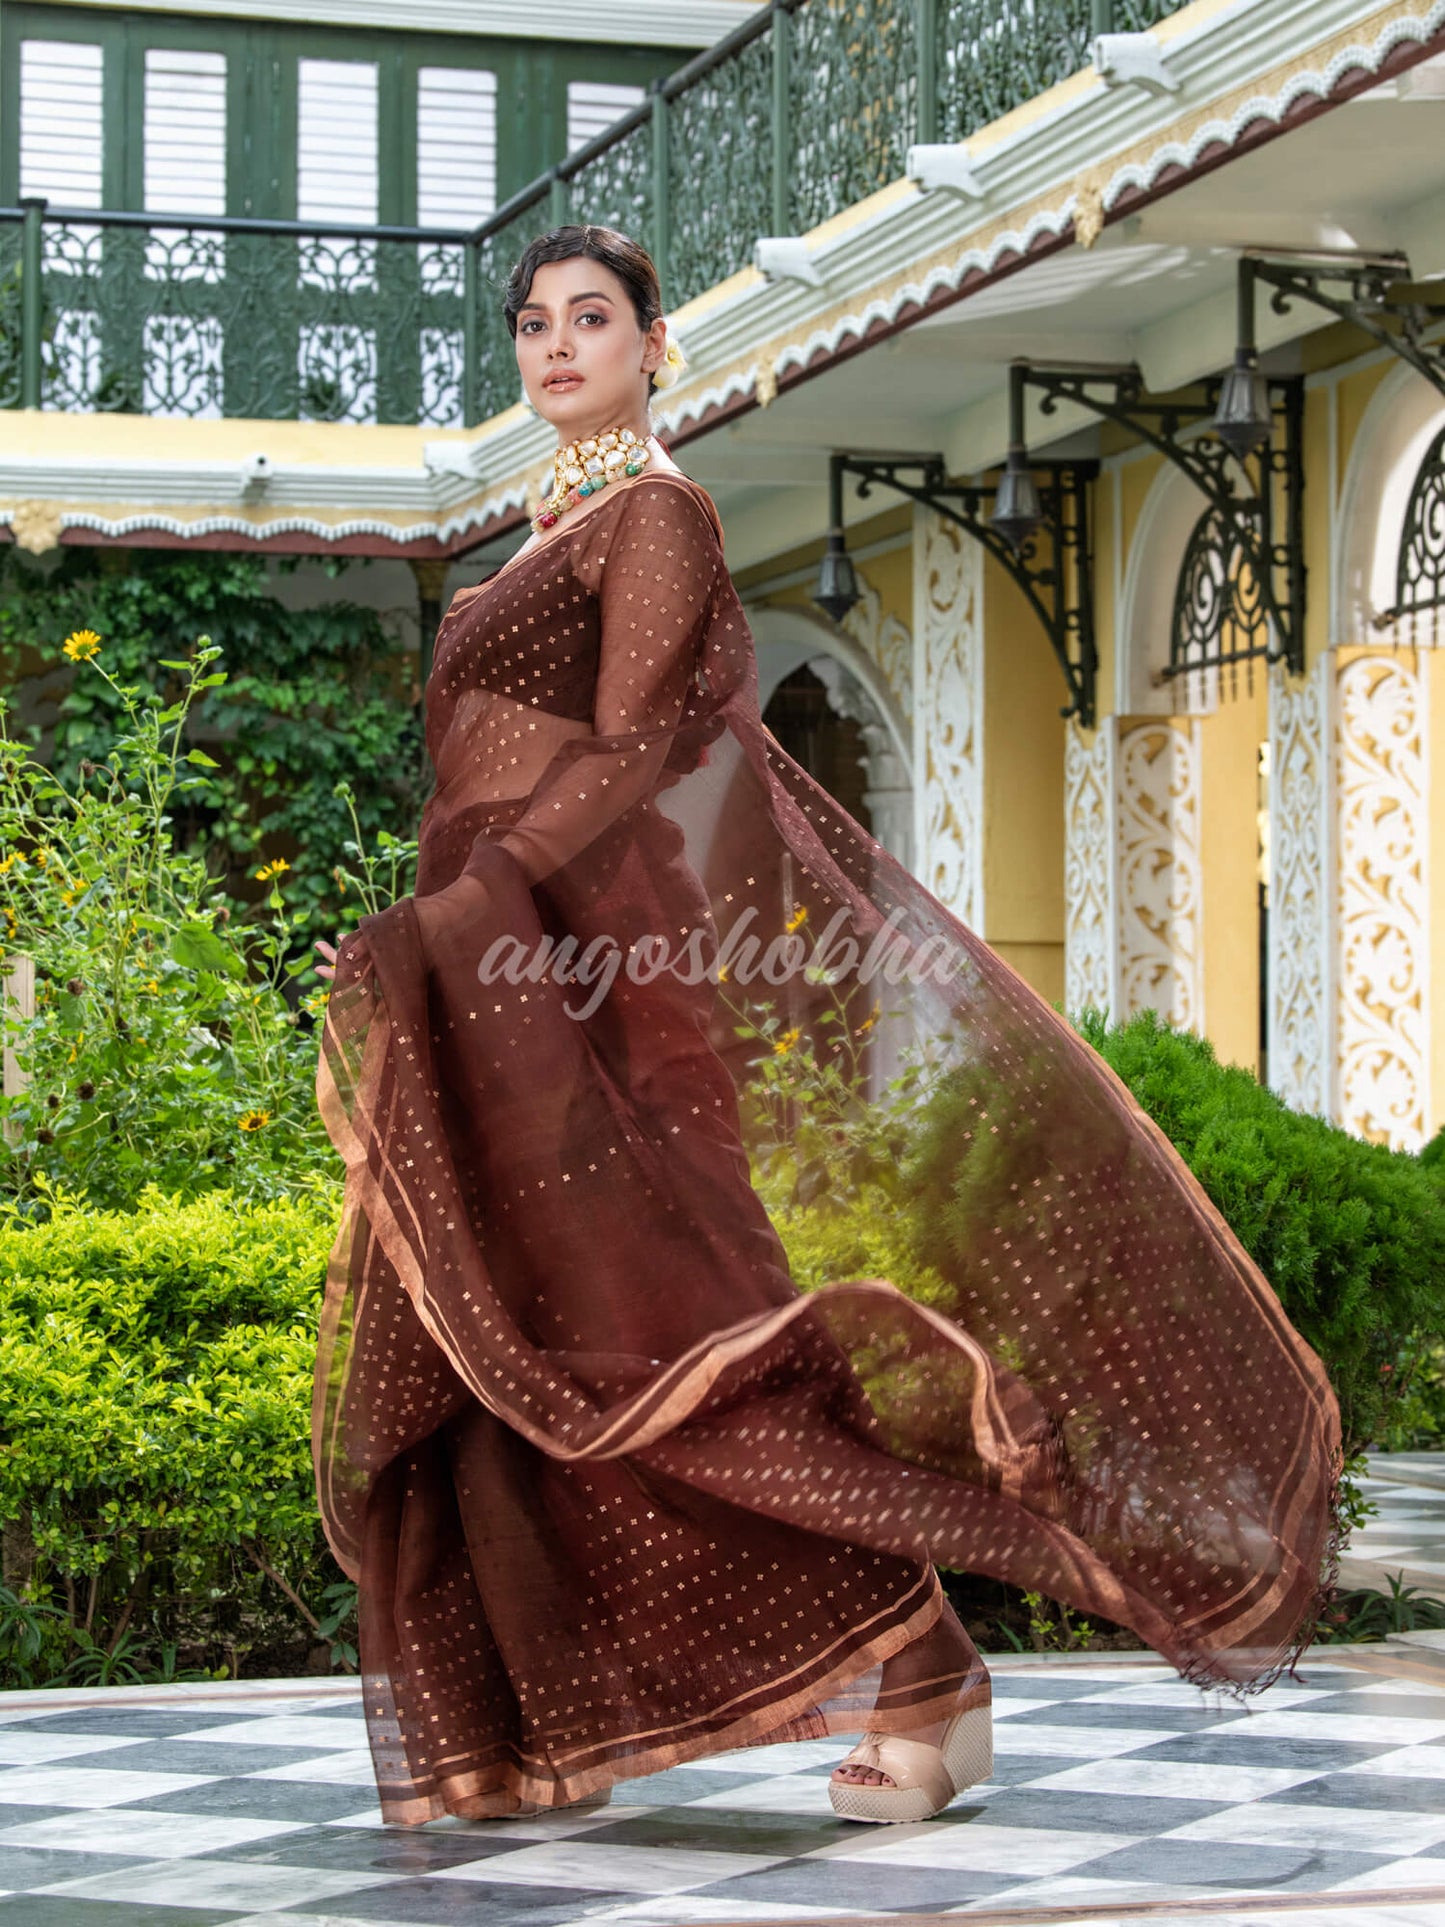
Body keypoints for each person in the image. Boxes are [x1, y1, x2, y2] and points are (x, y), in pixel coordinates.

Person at [311, 223, 1341, 1829]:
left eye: (592, 319)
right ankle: (521, 1720)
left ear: (659, 347)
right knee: (504, 1350)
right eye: (531, 324)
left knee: (683, 1354)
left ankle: (934, 1675)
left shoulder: (660, 514)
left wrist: (470, 902)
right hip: (501, 987)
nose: (557, 346)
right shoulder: (528, 540)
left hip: (589, 993)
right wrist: (458, 924)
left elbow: (639, 743)